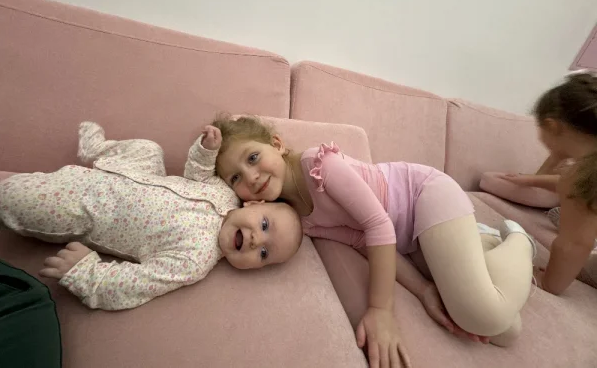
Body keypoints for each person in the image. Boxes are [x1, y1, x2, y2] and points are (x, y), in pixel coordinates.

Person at [209, 116, 536, 368]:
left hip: (425, 197)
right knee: (506, 331)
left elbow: (377, 224)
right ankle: (483, 240)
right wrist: (423, 290)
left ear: (277, 144)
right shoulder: (300, 221)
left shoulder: (319, 165)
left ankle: (520, 239)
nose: (251, 176)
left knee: (485, 315)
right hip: (413, 239)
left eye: (252, 157)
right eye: (235, 178)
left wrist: (381, 310)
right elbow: (361, 241)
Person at [0, 122, 302, 311]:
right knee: (149, 149)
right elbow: (197, 173)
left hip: (89, 207)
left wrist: (85, 271)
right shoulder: (225, 193)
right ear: (253, 204)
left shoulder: (193, 261)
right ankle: (98, 150)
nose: (256, 240)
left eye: (264, 254)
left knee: (10, 197)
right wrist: (206, 151)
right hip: (134, 172)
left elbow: (135, 284)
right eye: (264, 225)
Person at [498, 72, 597, 295]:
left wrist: (549, 283)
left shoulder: (582, 179)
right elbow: (567, 184)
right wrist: (530, 180)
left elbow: (575, 245)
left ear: (551, 126)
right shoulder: (583, 172)